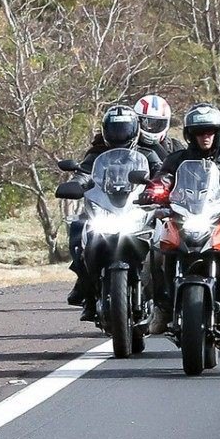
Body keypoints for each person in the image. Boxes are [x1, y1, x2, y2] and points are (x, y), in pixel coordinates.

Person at [151, 104, 220, 344]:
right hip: (182, 220)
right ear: (191, 135)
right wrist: (154, 190)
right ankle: (161, 306)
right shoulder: (177, 159)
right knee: (156, 251)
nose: (206, 137)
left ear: (219, 132)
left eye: (210, 131)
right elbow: (164, 178)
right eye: (200, 132)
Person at [66, 103, 156, 315]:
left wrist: (157, 187)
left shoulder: (148, 152)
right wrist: (77, 182)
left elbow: (161, 171)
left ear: (134, 130)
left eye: (124, 130)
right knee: (78, 231)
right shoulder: (96, 153)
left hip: (136, 210)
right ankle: (84, 287)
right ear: (106, 131)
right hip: (105, 209)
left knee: (165, 239)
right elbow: (84, 172)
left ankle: (164, 292)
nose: (119, 135)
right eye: (115, 130)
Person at [134, 93, 183, 163]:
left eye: (157, 124)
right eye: (146, 123)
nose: (151, 127)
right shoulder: (129, 145)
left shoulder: (175, 147)